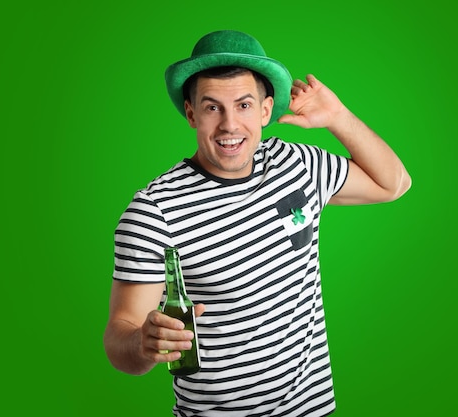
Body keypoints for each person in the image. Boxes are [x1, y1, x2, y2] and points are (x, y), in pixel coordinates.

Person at [104, 30, 411, 416]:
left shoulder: (295, 165)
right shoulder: (155, 210)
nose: (230, 125)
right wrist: (143, 344)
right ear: (191, 113)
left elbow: (393, 183)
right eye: (213, 107)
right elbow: (121, 334)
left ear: (266, 110)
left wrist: (338, 118)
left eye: (244, 105)